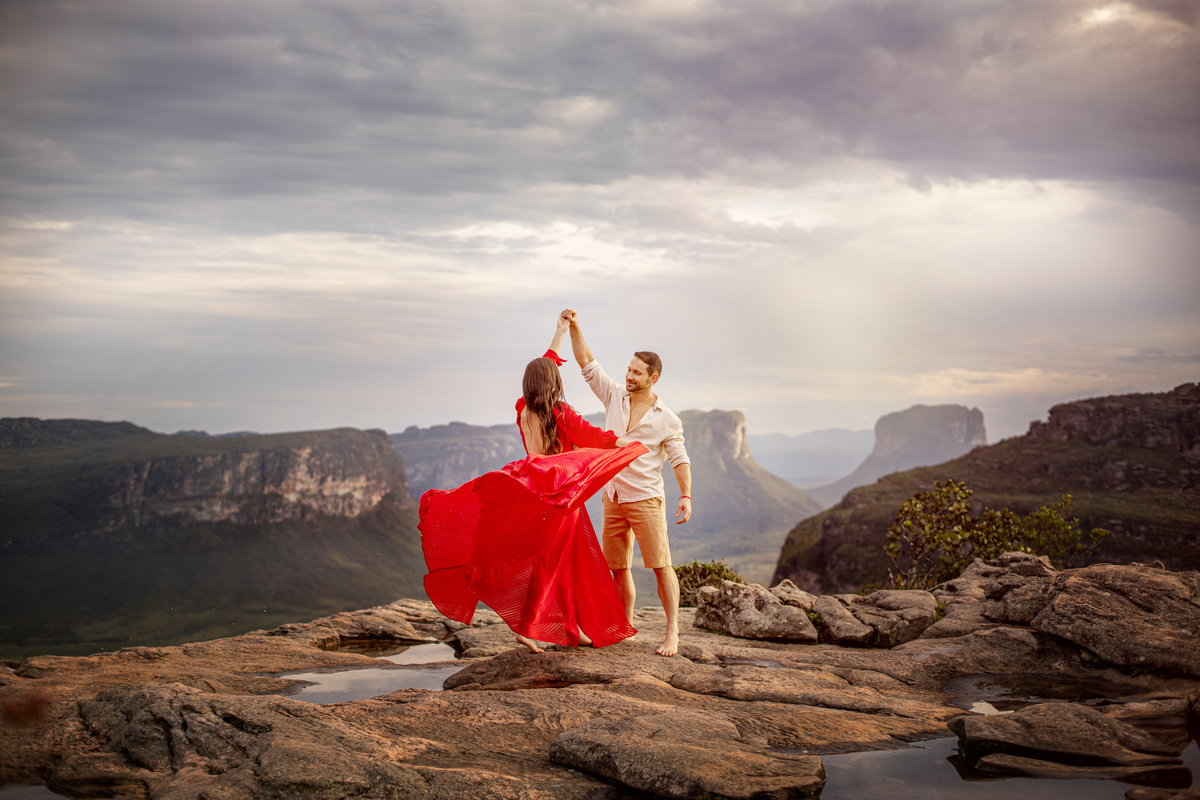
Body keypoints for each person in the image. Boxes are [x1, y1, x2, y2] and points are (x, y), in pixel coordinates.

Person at [419, 315, 646, 653]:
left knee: (559, 560)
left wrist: (560, 332)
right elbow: (594, 436)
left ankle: (570, 627)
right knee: (561, 562)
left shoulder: (523, 407)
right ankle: (535, 627)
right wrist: (630, 445)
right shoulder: (560, 412)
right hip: (558, 495)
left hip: (530, 488)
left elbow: (547, 363)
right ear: (553, 383)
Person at [562, 308, 692, 657]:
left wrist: (686, 496)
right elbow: (587, 364)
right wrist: (575, 327)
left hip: (646, 497)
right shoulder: (614, 396)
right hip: (613, 495)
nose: (629, 376)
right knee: (617, 567)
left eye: (637, 372)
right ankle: (625, 626)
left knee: (660, 565)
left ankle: (672, 632)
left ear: (654, 378)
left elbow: (679, 459)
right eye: (629, 370)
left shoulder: (667, 419)